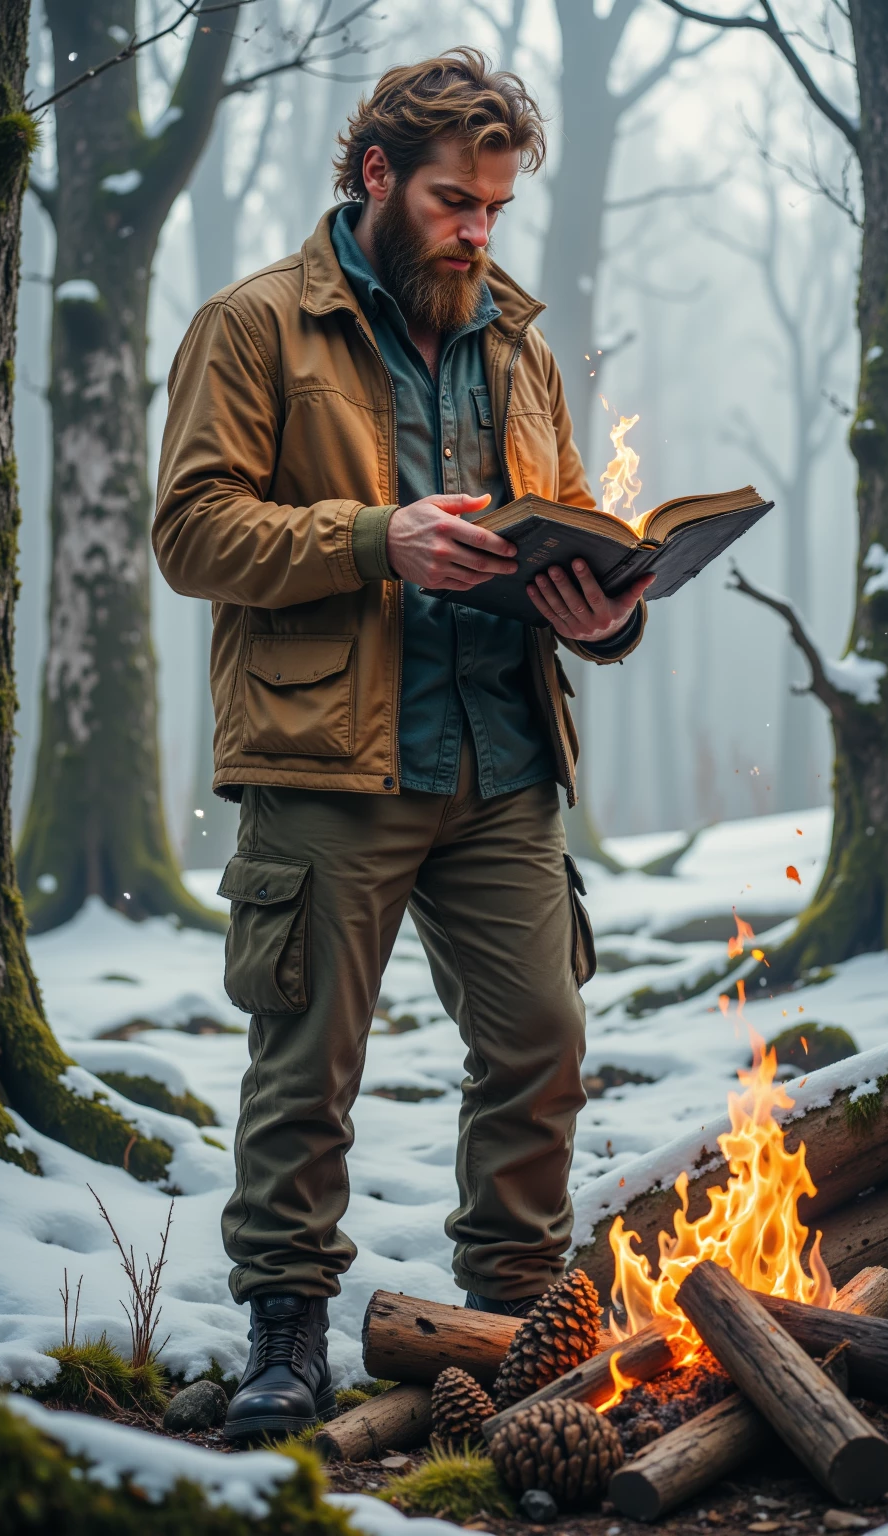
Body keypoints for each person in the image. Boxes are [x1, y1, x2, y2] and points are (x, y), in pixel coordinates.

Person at [153, 47, 650, 1445]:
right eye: (452, 201)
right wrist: (378, 539)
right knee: (308, 1059)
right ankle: (286, 1334)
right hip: (330, 762)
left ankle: (514, 1327)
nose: (477, 233)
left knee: (542, 1044)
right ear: (375, 174)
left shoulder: (520, 343)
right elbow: (190, 532)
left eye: (495, 208)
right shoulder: (255, 328)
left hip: (505, 757)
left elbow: (560, 538)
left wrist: (601, 614)